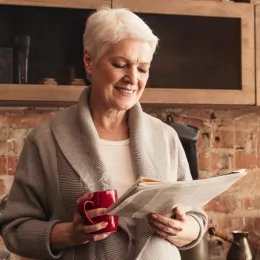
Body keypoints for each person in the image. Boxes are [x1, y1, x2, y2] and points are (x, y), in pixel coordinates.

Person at [0, 7, 207, 260]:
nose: (133, 79)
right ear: (89, 61)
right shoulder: (45, 140)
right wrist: (71, 233)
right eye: (121, 65)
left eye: (143, 69)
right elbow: (15, 230)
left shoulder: (166, 137)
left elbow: (195, 217)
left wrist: (184, 229)